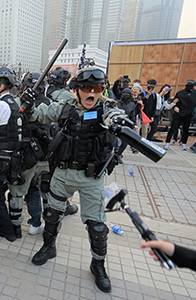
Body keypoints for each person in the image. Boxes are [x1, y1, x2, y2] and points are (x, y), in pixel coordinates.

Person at [21, 66, 127, 293]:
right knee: (51, 214)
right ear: (76, 90)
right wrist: (27, 103)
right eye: (87, 88)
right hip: (62, 173)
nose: (92, 93)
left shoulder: (107, 108)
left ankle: (98, 265)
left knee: (97, 226)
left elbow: (117, 117)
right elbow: (35, 115)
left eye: (97, 88)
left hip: (91, 178)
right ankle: (49, 248)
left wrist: (118, 121)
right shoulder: (63, 108)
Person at [45, 66, 78, 216]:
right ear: (64, 81)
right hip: (58, 140)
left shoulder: (43, 90)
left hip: (41, 137)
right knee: (57, 175)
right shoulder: (67, 95)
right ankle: (61, 205)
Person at [0, 64, 24, 242]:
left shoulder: (2, 104)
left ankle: (7, 231)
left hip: (3, 157)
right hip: (11, 157)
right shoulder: (13, 102)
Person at [164, 79, 196, 151]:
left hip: (188, 113)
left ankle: (184, 143)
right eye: (188, 83)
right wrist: (175, 107)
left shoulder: (195, 94)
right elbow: (174, 101)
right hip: (178, 113)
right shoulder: (180, 93)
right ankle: (167, 142)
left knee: (186, 129)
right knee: (173, 128)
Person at [115, 88, 136, 163]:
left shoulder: (132, 105)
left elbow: (132, 116)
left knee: (125, 143)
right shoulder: (117, 103)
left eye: (127, 94)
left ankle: (118, 155)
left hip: (127, 125)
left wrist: (134, 125)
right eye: (124, 93)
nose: (125, 95)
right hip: (116, 124)